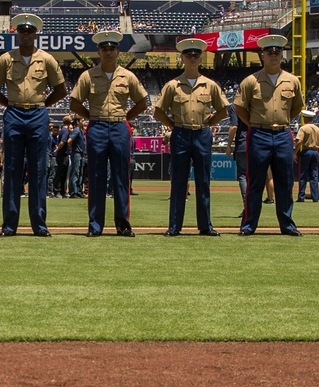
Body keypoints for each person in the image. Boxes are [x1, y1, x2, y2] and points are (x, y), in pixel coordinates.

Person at [0, 13, 67, 236]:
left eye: (30, 31)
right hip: (14, 114)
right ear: (17, 33)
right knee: (11, 169)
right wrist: (10, 105)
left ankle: (39, 225)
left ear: (36, 34)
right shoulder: (6, 59)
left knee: (39, 169)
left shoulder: (47, 59)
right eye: (23, 31)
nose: (27, 34)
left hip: (38, 115)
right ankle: (9, 225)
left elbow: (61, 89)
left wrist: (43, 104)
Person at [70, 29, 149, 236]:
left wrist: (126, 117)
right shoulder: (88, 76)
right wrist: (90, 115)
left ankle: (123, 224)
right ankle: (95, 226)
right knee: (95, 177)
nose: (108, 52)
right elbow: (74, 102)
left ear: (118, 51)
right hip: (96, 126)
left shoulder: (127, 76)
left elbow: (142, 102)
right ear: (98, 51)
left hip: (119, 126)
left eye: (112, 48)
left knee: (121, 177)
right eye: (104, 48)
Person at [234, 33, 304, 235]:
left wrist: (282, 121)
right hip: (259, 134)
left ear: (282, 55)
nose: (274, 55)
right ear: (262, 55)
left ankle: (287, 225)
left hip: (282, 134)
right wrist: (254, 124)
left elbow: (297, 107)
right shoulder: (251, 81)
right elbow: (239, 108)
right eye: (269, 52)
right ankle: (248, 225)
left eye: (277, 52)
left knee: (285, 182)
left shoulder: (292, 81)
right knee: (255, 182)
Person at [156, 37, 227, 236]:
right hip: (180, 133)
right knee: (178, 181)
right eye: (189, 55)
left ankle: (205, 225)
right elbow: (158, 111)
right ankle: (174, 226)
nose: (192, 58)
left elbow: (223, 110)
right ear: (182, 58)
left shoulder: (210, 85)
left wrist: (209, 124)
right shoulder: (173, 85)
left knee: (203, 181)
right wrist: (173, 126)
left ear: (201, 58)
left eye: (196, 55)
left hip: (202, 133)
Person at [295, 114, 319, 203]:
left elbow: (299, 141)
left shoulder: (303, 128)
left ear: (305, 118)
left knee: (303, 174)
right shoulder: (318, 129)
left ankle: (301, 196)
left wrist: (294, 153)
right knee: (314, 175)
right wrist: (318, 153)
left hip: (306, 151)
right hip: (315, 151)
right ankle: (315, 197)